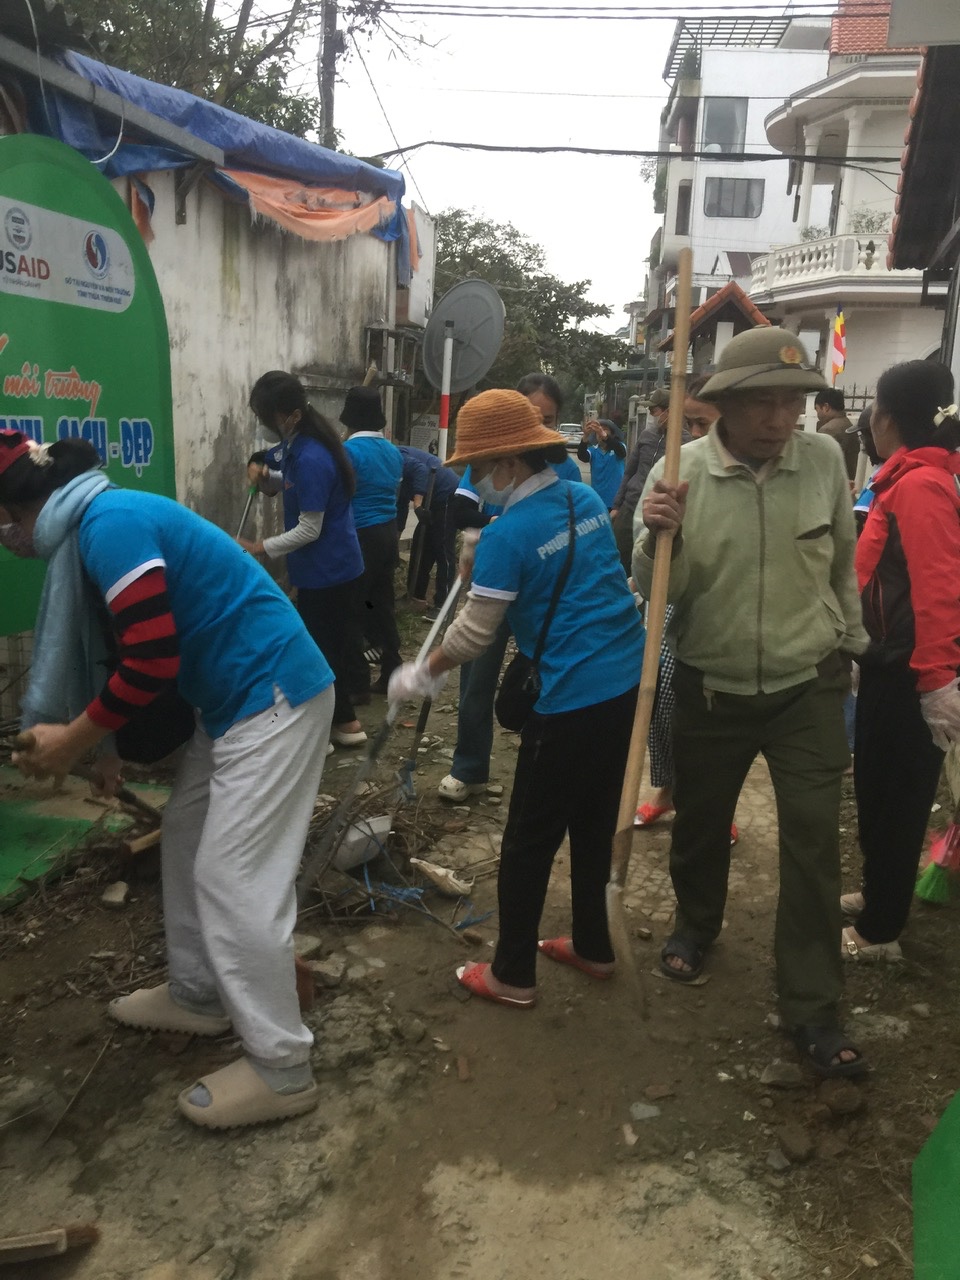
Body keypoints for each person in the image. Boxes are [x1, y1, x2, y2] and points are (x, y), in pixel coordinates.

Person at [3, 430, 333, 1129]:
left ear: (20, 509)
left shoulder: (108, 526)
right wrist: (106, 749)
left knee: (233, 878)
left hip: (272, 693)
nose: (6, 540)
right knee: (185, 834)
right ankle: (199, 994)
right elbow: (118, 649)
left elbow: (150, 659)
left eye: (3, 524)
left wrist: (73, 739)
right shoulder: (95, 522)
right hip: (232, 699)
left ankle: (283, 1067)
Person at [636, 326, 869, 1079]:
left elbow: (840, 562)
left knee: (813, 841)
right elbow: (653, 588)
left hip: (808, 683)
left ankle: (812, 1005)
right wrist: (659, 536)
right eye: (763, 402)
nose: (780, 419)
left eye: (793, 402)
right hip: (712, 684)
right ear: (724, 407)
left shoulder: (823, 460)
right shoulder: (677, 476)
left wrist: (852, 643)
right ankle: (696, 923)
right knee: (701, 823)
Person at [389, 390, 644, 1008]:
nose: (475, 481)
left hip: (569, 697)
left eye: (478, 468)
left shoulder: (509, 535)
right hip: (625, 684)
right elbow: (571, 571)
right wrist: (486, 553)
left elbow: (473, 635)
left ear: (508, 463)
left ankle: (512, 974)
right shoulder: (584, 499)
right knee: (592, 824)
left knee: (528, 840)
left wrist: (422, 672)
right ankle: (593, 946)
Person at [841, 362, 960, 962]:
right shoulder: (905, 478)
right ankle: (877, 894)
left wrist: (936, 682)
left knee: (898, 798)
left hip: (912, 673)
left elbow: (939, 589)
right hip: (886, 661)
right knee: (875, 787)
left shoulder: (921, 486)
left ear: (885, 417)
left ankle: (881, 930)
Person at [437, 373, 578, 802]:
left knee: (546, 676)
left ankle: (544, 765)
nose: (541, 426)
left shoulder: (566, 470)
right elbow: (461, 510)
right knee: (477, 677)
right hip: (496, 575)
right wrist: (488, 532)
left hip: (541, 590)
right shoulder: (488, 458)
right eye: (532, 415)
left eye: (548, 419)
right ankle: (469, 766)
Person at [244, 371, 366, 747]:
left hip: (329, 572)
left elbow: (310, 529)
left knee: (319, 654)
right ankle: (345, 724)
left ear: (292, 416)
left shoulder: (312, 457)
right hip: (325, 569)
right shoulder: (297, 447)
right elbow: (283, 477)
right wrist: (263, 474)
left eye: (267, 417)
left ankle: (320, 735)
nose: (264, 424)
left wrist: (259, 547)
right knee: (328, 649)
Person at [633, 376, 728, 835]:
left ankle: (714, 806)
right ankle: (667, 791)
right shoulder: (674, 468)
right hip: (675, 601)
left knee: (720, 721)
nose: (694, 433)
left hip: (726, 611)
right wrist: (656, 536)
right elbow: (643, 543)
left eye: (703, 423)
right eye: (688, 423)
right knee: (664, 700)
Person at [340, 386, 404, 697]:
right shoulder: (393, 452)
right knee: (382, 604)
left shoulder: (348, 452)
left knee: (352, 606)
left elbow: (339, 497)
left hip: (361, 535)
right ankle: (392, 669)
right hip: (388, 533)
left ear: (348, 418)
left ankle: (357, 683)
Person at [398, 444, 460, 615]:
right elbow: (401, 506)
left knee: (442, 549)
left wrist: (417, 505)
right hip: (430, 500)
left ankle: (443, 606)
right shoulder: (390, 475)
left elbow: (421, 470)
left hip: (447, 495)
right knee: (421, 544)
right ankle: (415, 597)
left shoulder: (396, 456)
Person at [578, 417, 625, 510]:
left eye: (605, 429)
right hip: (598, 501)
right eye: (598, 430)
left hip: (616, 501)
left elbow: (622, 452)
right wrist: (585, 436)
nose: (600, 432)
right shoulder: (593, 451)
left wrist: (605, 436)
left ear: (612, 434)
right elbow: (582, 456)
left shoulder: (619, 448)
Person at [815, 388, 859, 481]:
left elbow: (820, 467)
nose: (817, 414)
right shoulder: (848, 425)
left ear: (826, 407)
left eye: (817, 409)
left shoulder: (828, 430)